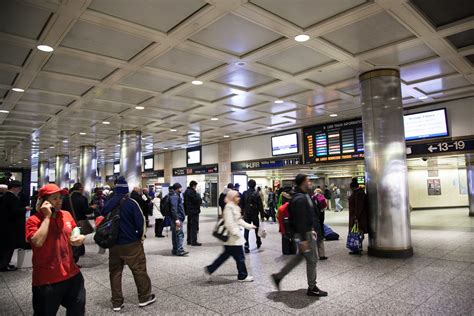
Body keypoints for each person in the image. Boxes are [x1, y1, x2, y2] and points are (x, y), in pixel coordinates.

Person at [26, 183, 86, 315]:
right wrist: (47, 217)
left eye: (60, 198)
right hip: (47, 280)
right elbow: (37, 242)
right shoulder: (33, 220)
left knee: (77, 310)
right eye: (54, 198)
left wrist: (79, 238)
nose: (59, 201)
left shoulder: (66, 215)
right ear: (43, 201)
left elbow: (75, 229)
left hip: (72, 274)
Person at [102, 177, 155, 312]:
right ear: (126, 190)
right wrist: (139, 238)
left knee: (115, 272)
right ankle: (144, 297)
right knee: (139, 269)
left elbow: (102, 218)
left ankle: (117, 302)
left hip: (113, 244)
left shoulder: (108, 203)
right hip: (130, 243)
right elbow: (140, 222)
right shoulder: (131, 203)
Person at [271, 174, 328, 297]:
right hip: (304, 235)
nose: (310, 182)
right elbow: (300, 220)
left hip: (305, 233)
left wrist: (311, 228)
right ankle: (312, 287)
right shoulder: (300, 198)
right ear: (303, 182)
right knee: (312, 260)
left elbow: (308, 215)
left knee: (300, 257)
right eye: (308, 180)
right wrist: (304, 239)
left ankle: (278, 276)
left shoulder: (302, 195)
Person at [205, 190, 256, 282]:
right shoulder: (229, 207)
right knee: (240, 257)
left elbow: (239, 220)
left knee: (225, 256)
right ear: (232, 197)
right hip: (232, 238)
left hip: (233, 238)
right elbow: (228, 222)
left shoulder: (235, 207)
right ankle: (242, 276)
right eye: (237, 196)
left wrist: (250, 226)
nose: (239, 198)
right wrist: (235, 233)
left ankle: (209, 269)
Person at [62, 182, 96, 262]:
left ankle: (72, 253)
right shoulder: (82, 198)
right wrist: (92, 208)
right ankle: (74, 258)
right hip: (79, 221)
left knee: (71, 237)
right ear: (80, 189)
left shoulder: (66, 198)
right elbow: (86, 211)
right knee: (78, 236)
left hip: (68, 221)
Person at [0, 180, 30, 271]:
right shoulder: (11, 197)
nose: (20, 190)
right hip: (11, 226)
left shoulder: (5, 196)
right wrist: (25, 208)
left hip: (6, 225)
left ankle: (5, 263)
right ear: (14, 188)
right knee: (9, 247)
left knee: (6, 246)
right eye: (19, 188)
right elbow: (14, 211)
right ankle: (3, 265)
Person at [241, 179, 263, 253]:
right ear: (255, 185)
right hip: (255, 214)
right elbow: (260, 205)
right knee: (256, 228)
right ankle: (258, 242)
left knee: (246, 230)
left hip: (247, 214)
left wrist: (241, 213)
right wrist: (262, 215)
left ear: (248, 185)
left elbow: (241, 204)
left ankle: (246, 245)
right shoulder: (257, 194)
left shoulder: (244, 193)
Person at [348, 178, 368, 255]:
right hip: (357, 216)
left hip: (358, 217)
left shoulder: (359, 194)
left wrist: (356, 217)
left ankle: (358, 247)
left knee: (358, 232)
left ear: (353, 187)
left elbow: (358, 207)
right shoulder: (358, 193)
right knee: (357, 232)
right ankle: (358, 247)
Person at [169, 183, 188, 256]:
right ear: (177, 188)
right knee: (179, 234)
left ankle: (175, 250)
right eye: (181, 188)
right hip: (177, 218)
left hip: (176, 218)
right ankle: (180, 250)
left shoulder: (175, 195)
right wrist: (177, 219)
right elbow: (174, 208)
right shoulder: (174, 196)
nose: (182, 189)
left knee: (175, 234)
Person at [184, 181, 202, 246]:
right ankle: (194, 241)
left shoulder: (186, 191)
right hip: (194, 211)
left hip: (189, 211)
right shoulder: (192, 192)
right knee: (194, 226)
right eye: (195, 186)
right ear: (193, 186)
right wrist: (199, 197)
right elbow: (197, 201)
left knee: (189, 226)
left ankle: (189, 240)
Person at [312, 188, 328, 260]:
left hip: (310, 221)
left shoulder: (310, 198)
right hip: (317, 220)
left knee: (311, 238)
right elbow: (322, 209)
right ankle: (322, 255)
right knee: (320, 238)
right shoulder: (320, 198)